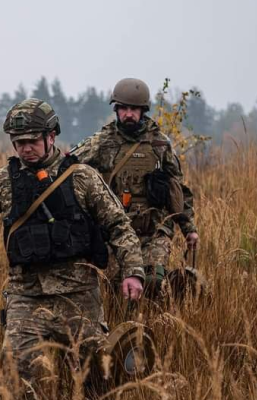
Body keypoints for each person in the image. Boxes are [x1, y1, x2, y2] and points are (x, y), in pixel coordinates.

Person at [0, 99, 145, 400]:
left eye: (32, 141)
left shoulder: (82, 178)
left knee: (97, 375)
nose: (25, 149)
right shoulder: (3, 182)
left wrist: (133, 270)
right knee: (14, 367)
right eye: (18, 143)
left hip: (77, 295)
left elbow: (118, 225)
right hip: (26, 294)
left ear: (51, 136)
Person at [71, 78, 199, 298]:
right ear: (117, 110)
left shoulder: (160, 144)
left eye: (134, 109)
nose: (128, 114)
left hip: (154, 230)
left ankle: (155, 323)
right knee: (115, 288)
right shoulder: (102, 142)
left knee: (152, 282)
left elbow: (179, 190)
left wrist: (190, 229)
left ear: (143, 111)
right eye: (124, 109)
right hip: (114, 231)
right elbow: (68, 165)